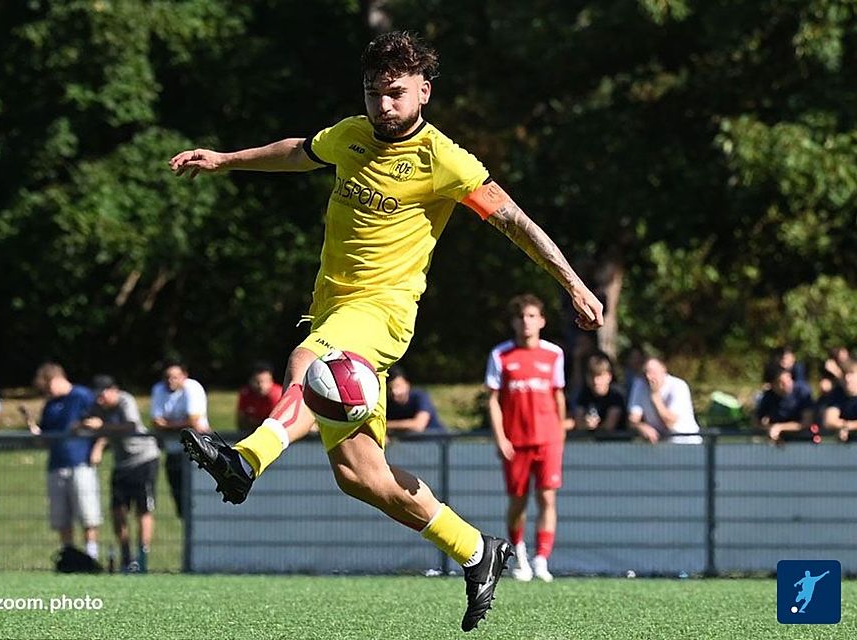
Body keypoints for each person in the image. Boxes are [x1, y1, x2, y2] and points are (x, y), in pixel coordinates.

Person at [170, 31, 603, 631]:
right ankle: (477, 550)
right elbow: (299, 151)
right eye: (374, 92)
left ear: (425, 92)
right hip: (331, 308)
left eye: (396, 92)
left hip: (382, 312)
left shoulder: (444, 160)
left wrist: (573, 283)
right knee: (362, 477)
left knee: (307, 363)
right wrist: (224, 159)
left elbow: (515, 221)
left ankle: (246, 459)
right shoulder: (351, 135)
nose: (384, 104)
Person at [485, 295, 566, 583]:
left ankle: (542, 558)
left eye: (532, 316)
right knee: (518, 501)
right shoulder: (500, 355)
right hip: (516, 442)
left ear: (542, 320)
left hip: (548, 439)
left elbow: (558, 395)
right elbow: (493, 400)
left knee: (547, 497)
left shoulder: (554, 354)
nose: (526, 322)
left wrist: (560, 434)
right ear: (514, 323)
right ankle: (518, 554)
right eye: (521, 317)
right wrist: (500, 438)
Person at [82, 375, 161, 572]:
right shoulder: (99, 406)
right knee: (117, 511)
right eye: (97, 396)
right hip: (121, 464)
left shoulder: (125, 400)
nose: (100, 400)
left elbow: (130, 426)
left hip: (143, 459)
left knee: (143, 510)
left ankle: (142, 557)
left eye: (102, 395)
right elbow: (89, 423)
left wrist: (102, 428)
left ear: (113, 390)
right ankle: (127, 557)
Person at [25, 363, 101, 560]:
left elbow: (101, 422)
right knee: (61, 516)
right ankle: (69, 555)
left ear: (57, 379)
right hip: (56, 465)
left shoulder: (82, 396)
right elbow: (46, 437)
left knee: (87, 513)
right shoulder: (50, 405)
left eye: (47, 387)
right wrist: (35, 432)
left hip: (81, 463)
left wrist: (97, 446)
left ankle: (91, 555)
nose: (47, 392)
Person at [150, 361, 210, 518]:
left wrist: (167, 425)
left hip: (197, 452)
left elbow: (193, 421)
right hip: (173, 452)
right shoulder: (158, 389)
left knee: (200, 498)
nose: (170, 381)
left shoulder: (193, 388)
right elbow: (156, 422)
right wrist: (181, 425)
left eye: (175, 377)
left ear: (184, 376)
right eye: (167, 377)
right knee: (180, 500)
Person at [627, 357, 701, 444]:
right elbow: (633, 419)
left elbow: (670, 422)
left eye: (653, 372)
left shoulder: (678, 386)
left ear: (663, 371)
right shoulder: (640, 385)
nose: (648, 376)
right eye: (645, 372)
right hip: (659, 443)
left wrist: (655, 396)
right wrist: (641, 427)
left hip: (685, 441)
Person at [754, 365, 814, 443]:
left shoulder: (802, 392)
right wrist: (769, 428)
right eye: (781, 382)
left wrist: (780, 427)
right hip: (778, 443)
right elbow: (758, 422)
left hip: (803, 442)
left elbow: (806, 422)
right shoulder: (768, 397)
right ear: (772, 385)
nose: (787, 384)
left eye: (789, 379)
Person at [573, 353, 627, 436]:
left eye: (599, 376)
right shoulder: (584, 394)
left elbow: (609, 426)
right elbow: (578, 421)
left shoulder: (616, 395)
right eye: (592, 376)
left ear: (609, 376)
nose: (596, 381)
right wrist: (586, 425)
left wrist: (593, 427)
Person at [385, 365, 446, 434]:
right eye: (390, 388)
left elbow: (418, 426)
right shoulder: (387, 404)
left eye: (397, 386)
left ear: (407, 384)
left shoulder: (420, 397)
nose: (394, 392)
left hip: (436, 438)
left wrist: (386, 425)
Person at [236, 362, 283, 436]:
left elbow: (277, 423)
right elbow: (241, 419)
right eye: (257, 382)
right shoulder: (246, 393)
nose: (261, 386)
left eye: (265, 381)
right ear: (250, 381)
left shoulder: (277, 395)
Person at [823, 361, 857, 442]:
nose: (847, 378)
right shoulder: (837, 394)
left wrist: (848, 426)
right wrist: (845, 427)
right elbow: (829, 421)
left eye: (851, 374)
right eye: (845, 374)